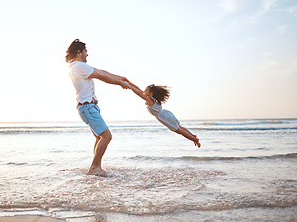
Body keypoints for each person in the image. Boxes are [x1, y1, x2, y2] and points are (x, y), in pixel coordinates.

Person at [66, 39, 130, 177]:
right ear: (79, 52)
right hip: (87, 107)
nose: (87, 54)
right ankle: (94, 167)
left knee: (99, 137)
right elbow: (101, 76)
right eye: (85, 51)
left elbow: (101, 72)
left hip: (90, 107)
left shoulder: (78, 67)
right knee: (106, 136)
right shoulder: (78, 66)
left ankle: (95, 167)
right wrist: (119, 83)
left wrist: (119, 78)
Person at [128, 82, 201, 148]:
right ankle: (192, 136)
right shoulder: (152, 99)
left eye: (145, 91)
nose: (144, 91)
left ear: (150, 94)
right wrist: (128, 82)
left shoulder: (149, 99)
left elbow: (138, 92)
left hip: (164, 117)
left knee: (179, 130)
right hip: (166, 114)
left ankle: (194, 139)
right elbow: (139, 90)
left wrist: (130, 87)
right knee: (180, 127)